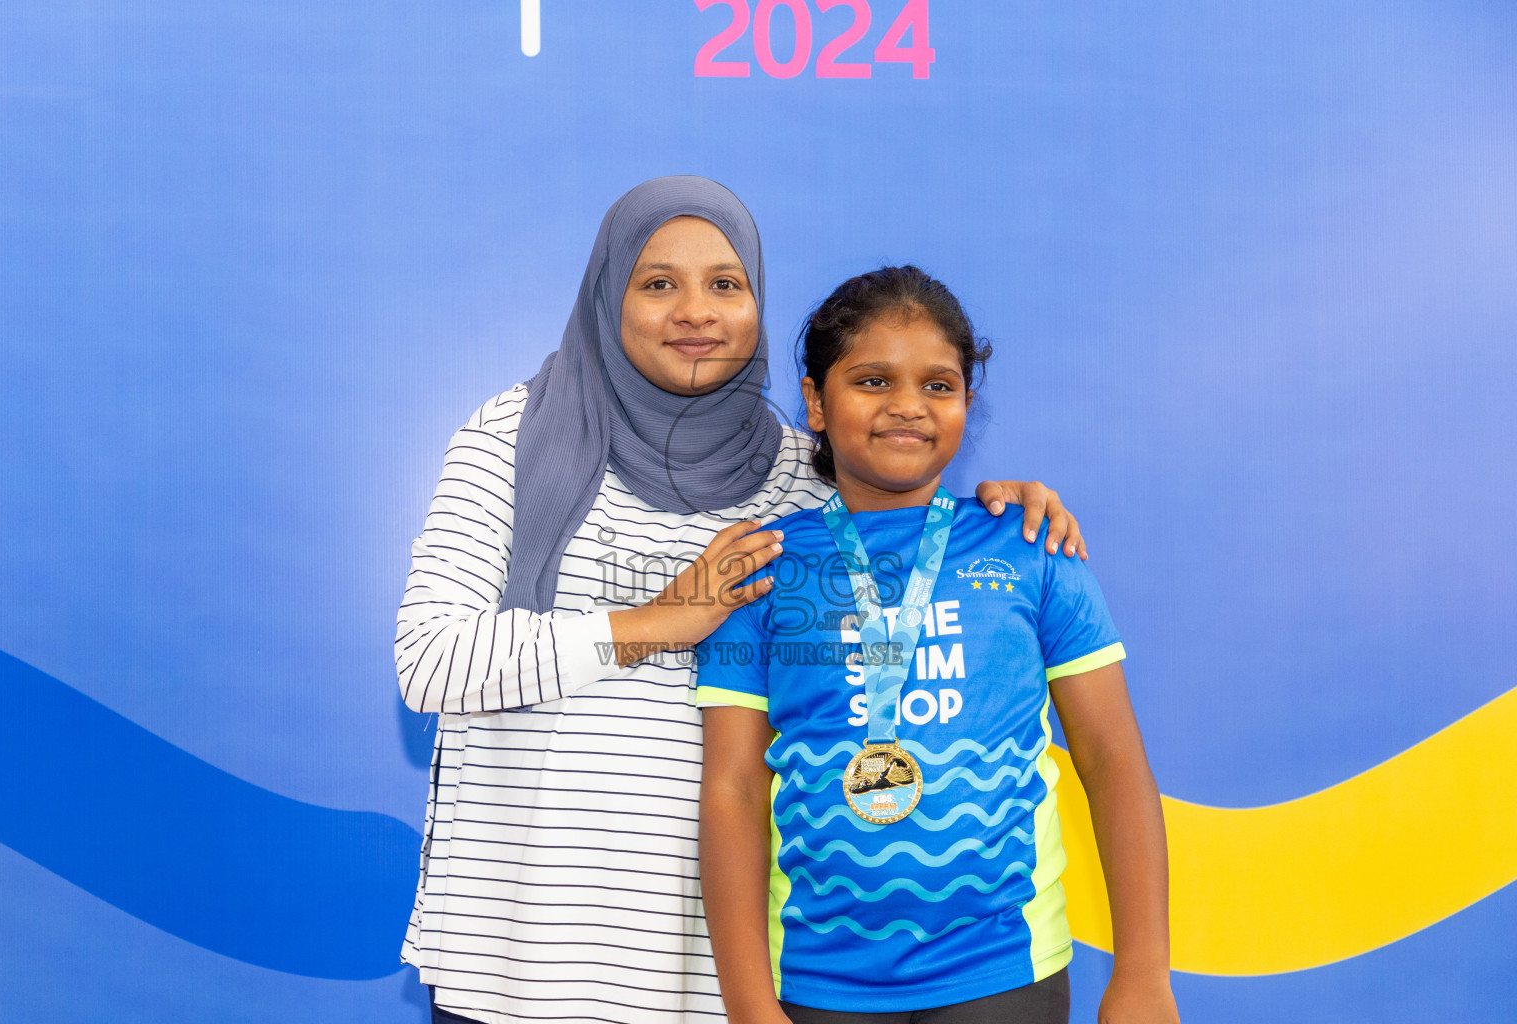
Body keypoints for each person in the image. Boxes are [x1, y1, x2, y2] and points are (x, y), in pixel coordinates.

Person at [395, 177, 1087, 1024]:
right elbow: (429, 663)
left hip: (711, 975)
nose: (696, 311)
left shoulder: (804, 476)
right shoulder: (511, 439)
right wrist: (651, 624)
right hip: (526, 955)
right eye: (658, 284)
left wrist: (1003, 504)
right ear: (608, 297)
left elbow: (910, 496)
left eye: (726, 284)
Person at [696, 266, 1178, 1024]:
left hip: (1004, 970)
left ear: (967, 404)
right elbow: (730, 791)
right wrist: (749, 1006)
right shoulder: (758, 571)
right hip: (815, 983)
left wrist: (1145, 973)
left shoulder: (1033, 547)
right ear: (816, 402)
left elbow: (1113, 760)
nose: (907, 408)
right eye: (873, 380)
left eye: (939, 386)